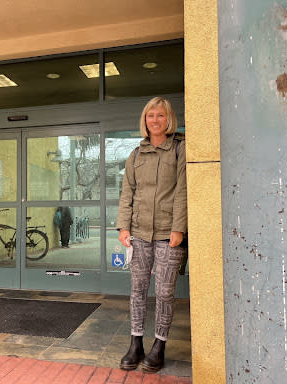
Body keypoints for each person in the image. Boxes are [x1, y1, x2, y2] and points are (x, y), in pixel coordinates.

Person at [116, 96, 187, 373]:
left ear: (168, 119)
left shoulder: (179, 150)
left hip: (169, 233)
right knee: (137, 290)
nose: (154, 120)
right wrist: (124, 227)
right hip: (139, 233)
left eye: (160, 115)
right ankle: (136, 343)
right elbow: (128, 193)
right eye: (150, 116)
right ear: (144, 121)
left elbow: (182, 191)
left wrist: (178, 228)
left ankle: (159, 345)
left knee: (165, 292)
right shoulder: (136, 155)